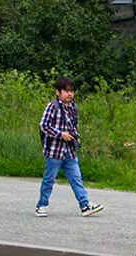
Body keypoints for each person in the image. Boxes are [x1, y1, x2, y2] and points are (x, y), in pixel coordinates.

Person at [36, 76, 103, 217]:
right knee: (49, 180)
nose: (69, 94)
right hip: (54, 151)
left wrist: (75, 136)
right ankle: (41, 206)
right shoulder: (52, 106)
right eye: (66, 91)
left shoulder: (73, 107)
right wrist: (61, 134)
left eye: (71, 91)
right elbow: (44, 125)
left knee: (76, 179)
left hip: (69, 152)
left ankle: (85, 205)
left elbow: (73, 125)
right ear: (57, 92)